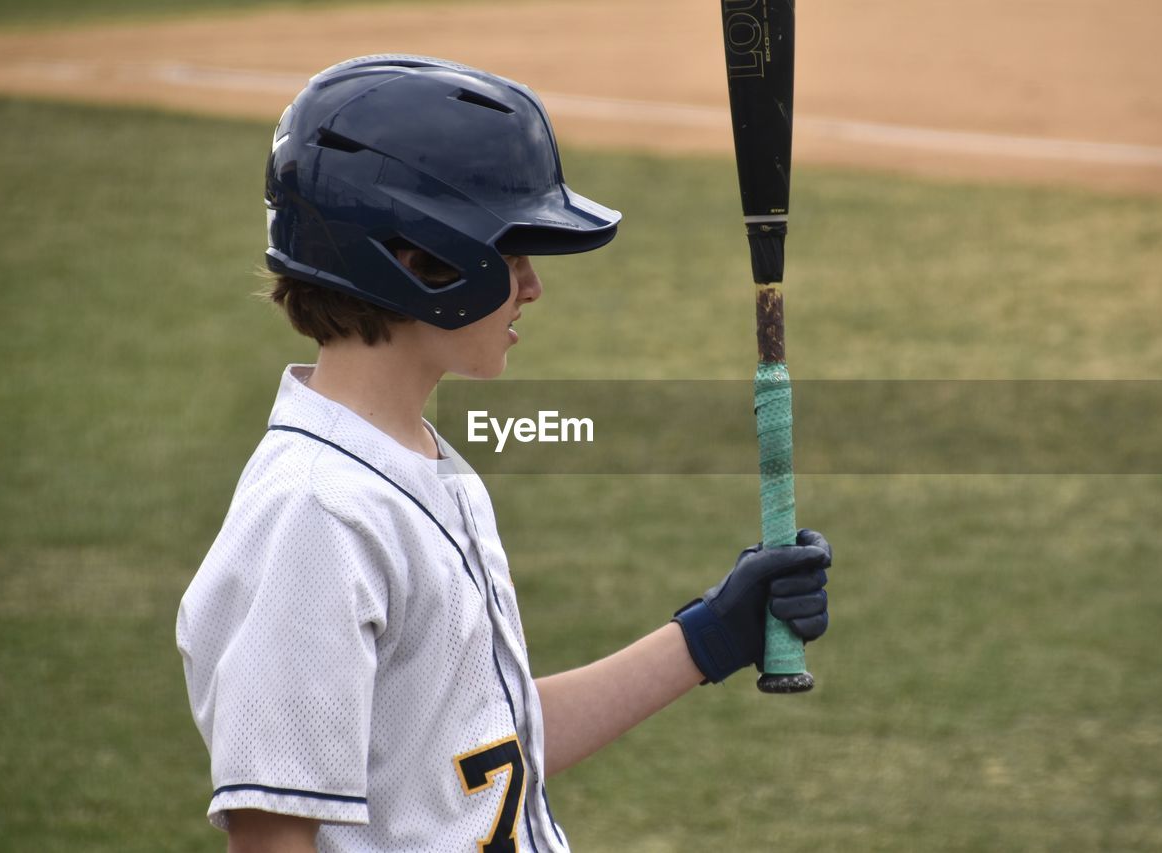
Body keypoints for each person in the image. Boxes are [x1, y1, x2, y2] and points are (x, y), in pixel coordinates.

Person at [176, 54, 832, 853]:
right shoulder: (314, 517)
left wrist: (708, 637)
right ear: (417, 259)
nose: (531, 286)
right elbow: (274, 835)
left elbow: (473, 749)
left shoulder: (418, 464)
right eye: (510, 251)